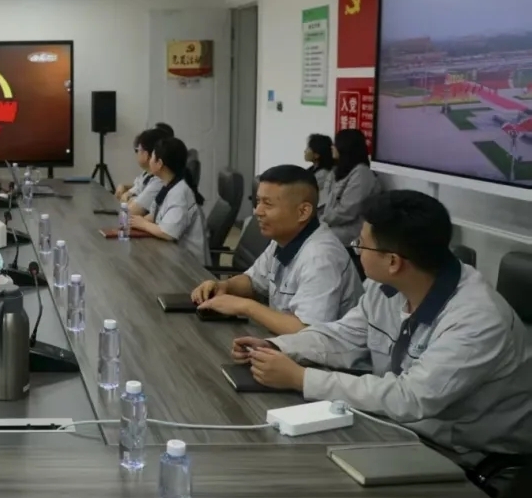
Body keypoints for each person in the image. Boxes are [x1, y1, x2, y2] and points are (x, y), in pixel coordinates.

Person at [232, 191, 532, 461]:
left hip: (464, 451)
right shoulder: (388, 285)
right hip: (400, 425)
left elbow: (410, 397)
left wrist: (301, 378)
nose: (357, 249)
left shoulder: (477, 319)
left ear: (393, 262)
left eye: (361, 244)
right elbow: (344, 336)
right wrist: (277, 347)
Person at [192, 165, 362, 335]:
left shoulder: (321, 258)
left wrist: (246, 306)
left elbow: (306, 332)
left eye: (268, 204)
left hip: (317, 351)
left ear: (303, 212)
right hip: (282, 343)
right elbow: (254, 281)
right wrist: (224, 286)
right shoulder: (284, 239)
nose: (258, 212)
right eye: (258, 201)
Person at [128, 137, 208, 265]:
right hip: (172, 255)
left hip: (190, 264)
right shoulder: (167, 186)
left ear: (159, 163)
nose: (149, 160)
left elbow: (167, 232)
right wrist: (133, 221)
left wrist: (142, 224)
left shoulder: (180, 193)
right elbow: (153, 215)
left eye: (152, 157)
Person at [322, 128, 382, 245]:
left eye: (335, 144)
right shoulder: (337, 171)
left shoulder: (362, 173)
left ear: (345, 147)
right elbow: (325, 200)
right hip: (333, 224)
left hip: (353, 230)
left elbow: (347, 211)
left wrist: (320, 222)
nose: (332, 147)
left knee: (314, 238)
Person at [114, 128, 166, 216]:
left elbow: (129, 212)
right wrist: (128, 196)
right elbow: (132, 192)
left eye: (137, 150)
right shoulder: (147, 174)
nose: (136, 153)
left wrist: (127, 200)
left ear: (147, 155)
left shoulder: (159, 181)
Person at [304, 133, 335, 210]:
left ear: (317, 154)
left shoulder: (323, 174)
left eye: (308, 148)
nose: (305, 151)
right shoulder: (312, 170)